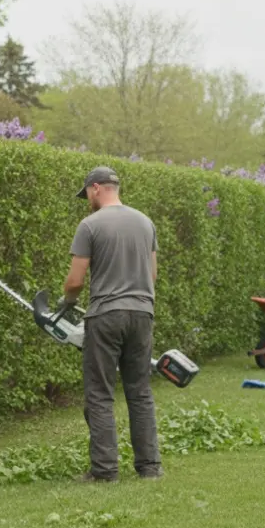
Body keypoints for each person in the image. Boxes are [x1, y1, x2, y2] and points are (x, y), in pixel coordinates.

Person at [58, 166, 161, 482]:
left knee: (100, 394)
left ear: (96, 188)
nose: (87, 200)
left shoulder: (90, 225)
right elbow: (152, 274)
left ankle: (104, 471)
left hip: (105, 316)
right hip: (142, 314)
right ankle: (150, 468)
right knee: (139, 391)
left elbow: (75, 280)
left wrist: (67, 302)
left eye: (87, 194)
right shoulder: (145, 222)